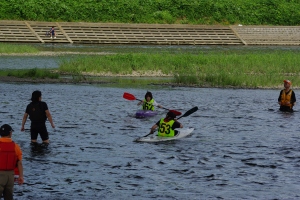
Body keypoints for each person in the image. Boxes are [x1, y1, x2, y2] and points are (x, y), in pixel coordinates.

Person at [0, 124, 24, 200]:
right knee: (9, 197)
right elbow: (19, 162)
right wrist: (21, 176)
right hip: (10, 176)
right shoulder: (15, 146)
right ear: (10, 133)